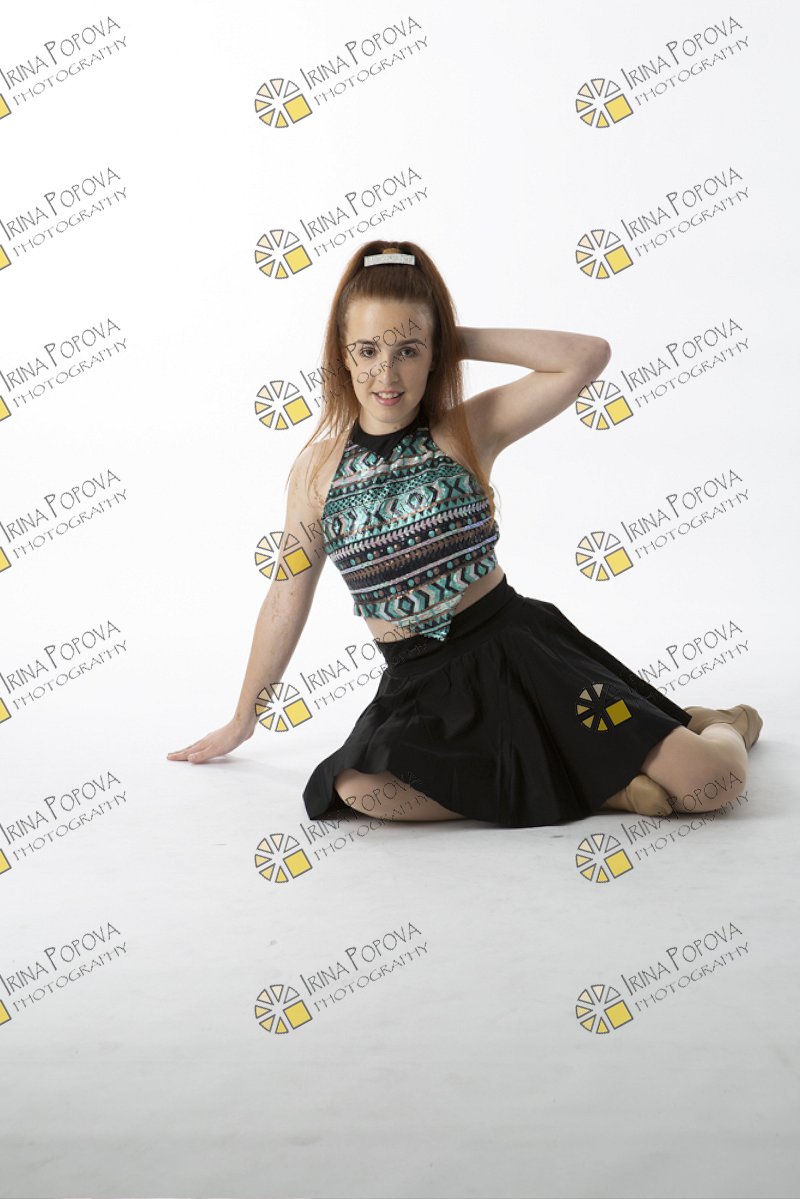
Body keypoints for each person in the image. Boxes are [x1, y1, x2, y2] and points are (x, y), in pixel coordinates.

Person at [167, 239, 762, 828]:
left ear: (435, 355)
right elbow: (285, 596)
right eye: (368, 350)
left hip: (522, 655)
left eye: (408, 350)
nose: (386, 373)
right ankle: (609, 791)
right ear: (342, 356)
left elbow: (587, 356)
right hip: (422, 688)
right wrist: (243, 719)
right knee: (358, 788)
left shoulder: (465, 431)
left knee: (712, 784)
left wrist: (457, 338)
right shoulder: (315, 471)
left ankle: (721, 725)